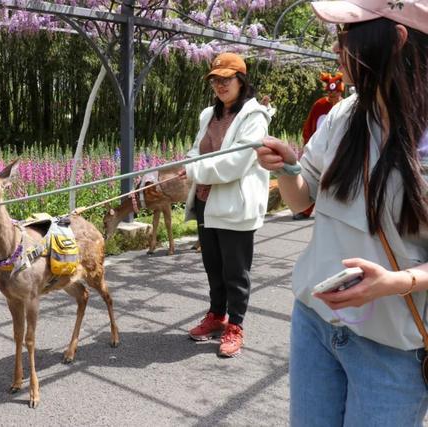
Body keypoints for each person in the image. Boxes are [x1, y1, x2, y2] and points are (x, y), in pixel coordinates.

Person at [255, 1, 428, 425]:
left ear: (396, 39)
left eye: (346, 35)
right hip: (315, 322)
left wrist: (396, 282)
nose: (337, 48)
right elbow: (301, 202)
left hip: (392, 346)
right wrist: (290, 167)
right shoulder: (344, 114)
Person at [183, 52, 271, 357]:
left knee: (236, 270)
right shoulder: (208, 115)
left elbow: (236, 164)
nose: (220, 85)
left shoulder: (254, 117)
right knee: (213, 267)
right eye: (215, 80)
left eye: (226, 79)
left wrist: (193, 168)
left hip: (235, 205)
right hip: (206, 201)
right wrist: (193, 163)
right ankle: (216, 315)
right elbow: (196, 149)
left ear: (241, 80)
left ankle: (235, 325)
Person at [293, 71, 345, 220]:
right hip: (318, 150)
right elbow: (309, 125)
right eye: (329, 92)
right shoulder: (320, 105)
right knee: (310, 177)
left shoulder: (346, 106)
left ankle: (334, 211)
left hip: (339, 153)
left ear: (340, 91)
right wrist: (307, 143)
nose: (331, 95)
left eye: (334, 92)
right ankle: (304, 209)